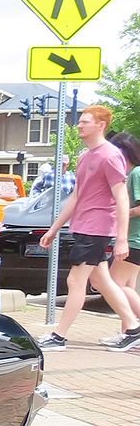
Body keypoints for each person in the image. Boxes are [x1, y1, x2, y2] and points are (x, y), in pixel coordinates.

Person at [36, 105, 140, 350]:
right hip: (84, 227)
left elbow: (121, 197)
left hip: (97, 229)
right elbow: (77, 196)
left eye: (85, 122)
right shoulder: (85, 156)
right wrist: (54, 228)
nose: (79, 125)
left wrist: (121, 238)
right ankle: (132, 328)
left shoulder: (110, 155)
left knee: (75, 280)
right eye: (80, 121)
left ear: (100, 125)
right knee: (102, 281)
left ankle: (59, 336)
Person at [103, 133, 140, 341]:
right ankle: (128, 332)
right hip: (134, 239)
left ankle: (134, 329)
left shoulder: (136, 173)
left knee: (114, 284)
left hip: (134, 239)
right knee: (127, 286)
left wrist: (120, 213)